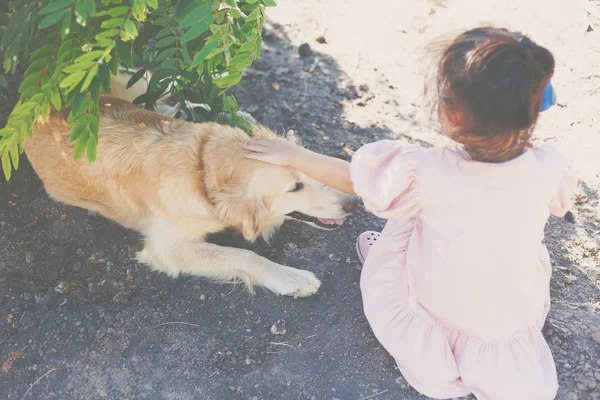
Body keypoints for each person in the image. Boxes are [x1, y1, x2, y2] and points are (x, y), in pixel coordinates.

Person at [243, 27, 578, 400]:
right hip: (508, 307)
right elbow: (554, 203)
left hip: (441, 298)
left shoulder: (426, 173)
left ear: (451, 113)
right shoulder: (550, 166)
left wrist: (292, 155)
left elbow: (352, 177)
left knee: (407, 213)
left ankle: (393, 269)